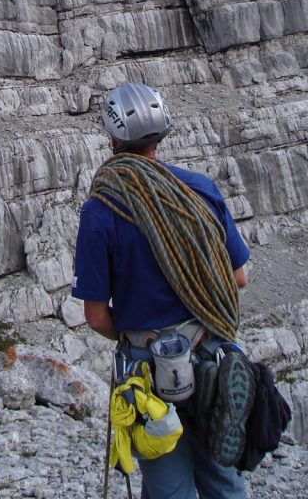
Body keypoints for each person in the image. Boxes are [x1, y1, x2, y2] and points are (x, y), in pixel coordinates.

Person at [72, 82, 251, 499]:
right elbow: (238, 277)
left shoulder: (101, 209)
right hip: (213, 355)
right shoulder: (200, 190)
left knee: (168, 487)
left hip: (148, 372)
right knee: (224, 480)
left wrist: (141, 336)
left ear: (112, 138)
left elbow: (97, 317)